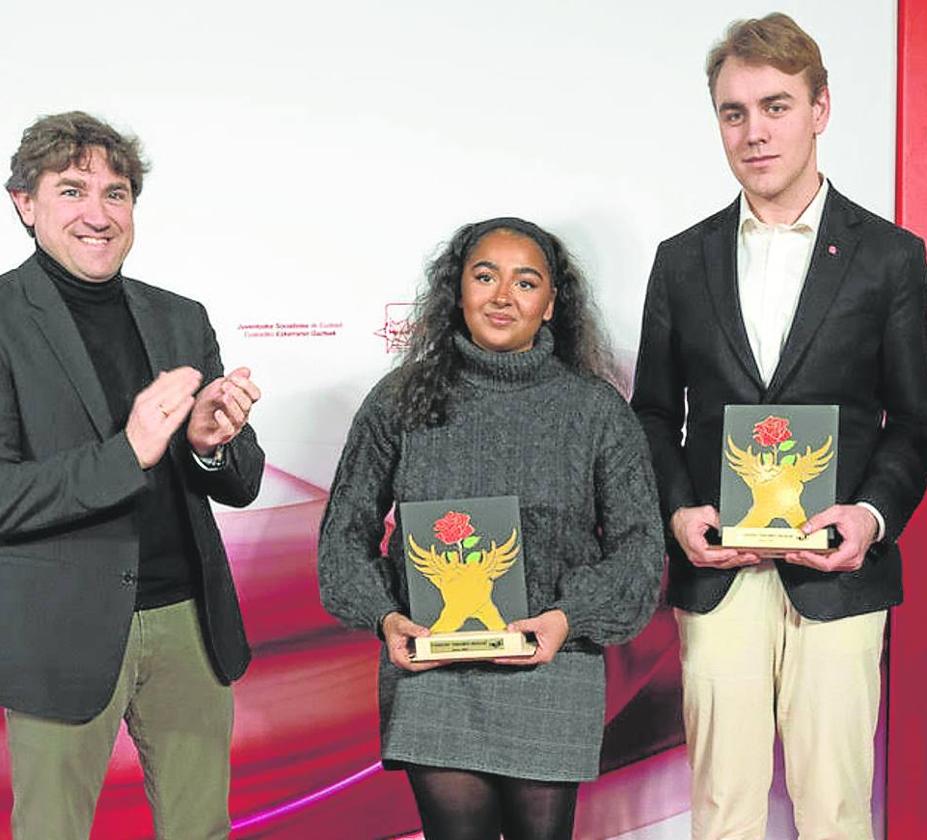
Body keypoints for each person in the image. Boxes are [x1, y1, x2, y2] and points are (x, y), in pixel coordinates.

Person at [631, 13, 927, 840]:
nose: (754, 131)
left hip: (837, 569)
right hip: (718, 565)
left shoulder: (889, 256)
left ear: (821, 109)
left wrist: (869, 518)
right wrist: (678, 515)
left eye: (775, 105)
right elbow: (655, 415)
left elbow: (916, 424)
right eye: (734, 113)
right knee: (723, 810)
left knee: (835, 809)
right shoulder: (680, 258)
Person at [318, 216, 662, 840]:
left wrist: (567, 619)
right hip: (436, 672)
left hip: (552, 664)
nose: (503, 296)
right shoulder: (398, 400)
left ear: (552, 304)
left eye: (526, 282)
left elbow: (641, 551)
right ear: (458, 291)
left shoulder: (595, 410)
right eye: (485, 276)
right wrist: (386, 617)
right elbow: (342, 537)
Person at [0, 111, 264, 838]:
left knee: (199, 829)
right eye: (72, 189)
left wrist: (210, 444)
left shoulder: (182, 317)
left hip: (190, 624)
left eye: (116, 194)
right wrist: (129, 452)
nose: (98, 213)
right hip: (63, 636)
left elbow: (241, 482)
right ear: (25, 203)